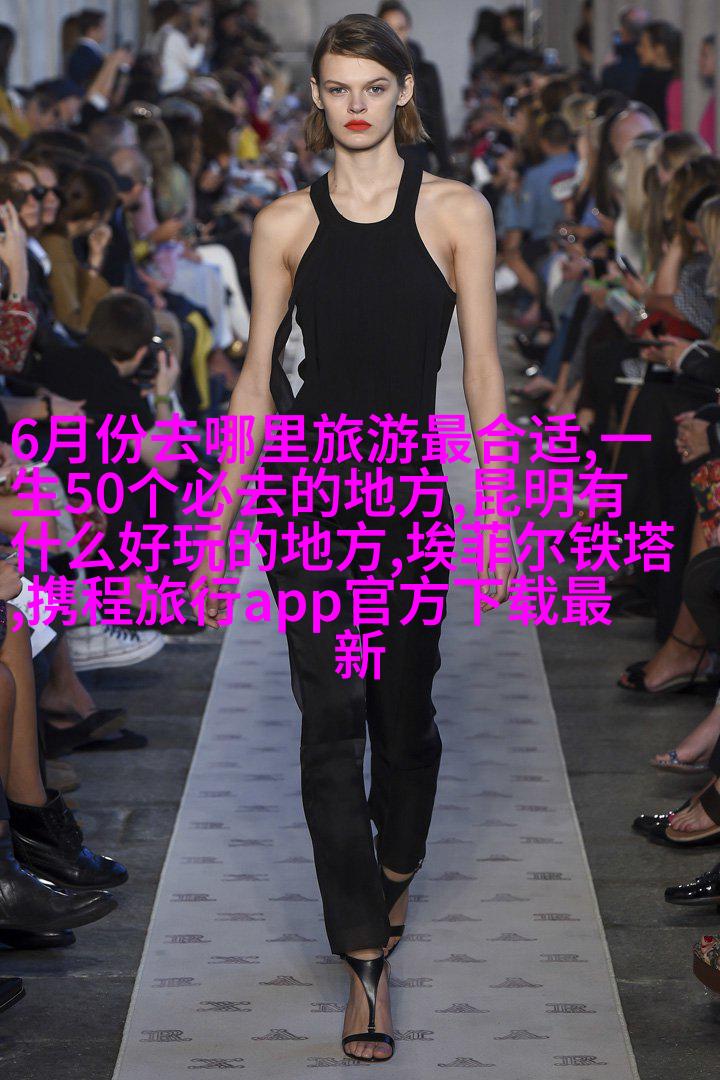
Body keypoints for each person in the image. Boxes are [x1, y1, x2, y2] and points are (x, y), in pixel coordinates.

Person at [191, 11, 518, 1063]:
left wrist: (502, 510)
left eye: (374, 86)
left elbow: (481, 372)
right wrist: (217, 521)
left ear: (404, 90)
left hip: (409, 498)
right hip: (308, 500)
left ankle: (397, 868)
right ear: (317, 98)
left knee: (404, 721)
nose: (357, 105)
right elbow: (254, 381)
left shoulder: (457, 211)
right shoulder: (284, 223)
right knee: (328, 724)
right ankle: (364, 959)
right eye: (338, 87)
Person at [66, 8, 107, 90]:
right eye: (102, 27)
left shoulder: (88, 51)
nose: (105, 31)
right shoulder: (84, 53)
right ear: (92, 30)